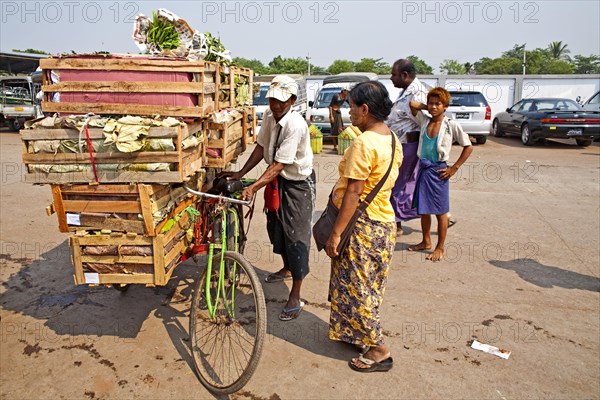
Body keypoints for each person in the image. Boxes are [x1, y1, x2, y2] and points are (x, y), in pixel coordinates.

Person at [325, 81, 403, 372]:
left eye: (352, 106)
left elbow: (355, 193)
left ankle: (379, 349)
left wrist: (336, 233)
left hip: (363, 226)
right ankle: (355, 333)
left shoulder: (364, 142)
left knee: (357, 288)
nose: (349, 111)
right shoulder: (391, 138)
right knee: (369, 285)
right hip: (384, 223)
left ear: (365, 109)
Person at [224, 75, 315, 321]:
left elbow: (278, 165)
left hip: (298, 185)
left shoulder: (295, 125)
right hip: (276, 180)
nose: (276, 105)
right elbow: (261, 148)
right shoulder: (268, 117)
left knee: (296, 236)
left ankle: (295, 295)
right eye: (273, 99)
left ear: (293, 100)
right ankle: (286, 268)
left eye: (281, 101)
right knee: (277, 228)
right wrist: (241, 173)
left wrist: (253, 187)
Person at [408, 87, 473, 261]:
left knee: (440, 211)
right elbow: (412, 104)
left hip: (439, 172)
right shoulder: (424, 121)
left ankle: (440, 247)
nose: (434, 107)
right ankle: (425, 241)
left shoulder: (451, 124)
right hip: (423, 169)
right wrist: (426, 106)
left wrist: (454, 168)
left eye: (438, 104)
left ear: (445, 106)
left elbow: (468, 146)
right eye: (431, 103)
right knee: (424, 210)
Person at [385, 59, 430, 235]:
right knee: (400, 183)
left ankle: (396, 222)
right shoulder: (406, 91)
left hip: (409, 147)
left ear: (405, 75)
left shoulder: (417, 94)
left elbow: (429, 122)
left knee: (400, 184)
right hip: (400, 145)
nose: (391, 78)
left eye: (393, 74)